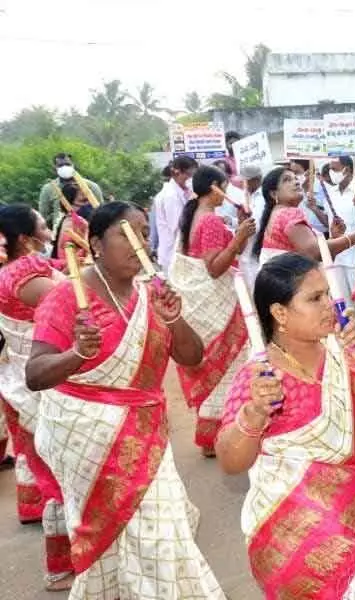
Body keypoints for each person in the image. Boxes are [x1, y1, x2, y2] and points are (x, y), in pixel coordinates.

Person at [25, 201, 224, 599]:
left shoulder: (154, 293)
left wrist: (173, 319)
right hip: (88, 441)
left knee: (163, 535)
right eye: (125, 233)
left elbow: (192, 356)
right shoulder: (67, 297)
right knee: (114, 539)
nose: (139, 244)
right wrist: (76, 354)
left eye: (143, 232)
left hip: (147, 438)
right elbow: (34, 374)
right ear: (96, 243)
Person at [215, 253, 355, 599]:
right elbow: (230, 461)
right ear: (280, 313)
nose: (330, 304)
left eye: (328, 293)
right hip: (298, 541)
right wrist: (252, 415)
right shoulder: (260, 379)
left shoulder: (343, 353)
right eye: (315, 298)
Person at [0, 205, 73, 591]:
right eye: (42, 223)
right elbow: (73, 301)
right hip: (45, 388)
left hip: (19, 383)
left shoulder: (25, 266)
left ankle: (67, 560)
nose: (48, 225)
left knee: (48, 469)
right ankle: (63, 566)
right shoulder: (23, 273)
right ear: (27, 238)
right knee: (65, 475)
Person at [171, 165, 256, 457]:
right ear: (215, 188)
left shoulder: (194, 214)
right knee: (229, 366)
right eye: (224, 187)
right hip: (214, 302)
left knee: (216, 367)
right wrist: (238, 237)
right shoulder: (209, 221)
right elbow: (214, 267)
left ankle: (213, 434)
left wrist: (239, 235)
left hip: (202, 302)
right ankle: (224, 434)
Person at [252, 167, 355, 266]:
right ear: (274, 194)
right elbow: (315, 253)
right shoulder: (289, 213)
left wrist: (333, 237)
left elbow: (315, 255)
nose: (297, 182)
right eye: (287, 180)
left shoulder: (276, 213)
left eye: (296, 178)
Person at [324, 155, 355, 304]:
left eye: (334, 169)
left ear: (346, 170)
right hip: (336, 257)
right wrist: (314, 208)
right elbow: (328, 221)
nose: (330, 173)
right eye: (329, 169)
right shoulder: (330, 193)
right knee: (341, 302)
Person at [152, 155, 197, 272]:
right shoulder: (170, 196)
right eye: (189, 175)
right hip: (173, 253)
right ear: (177, 173)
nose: (190, 178)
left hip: (179, 253)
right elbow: (178, 226)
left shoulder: (184, 191)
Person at [37, 153, 104, 229]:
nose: (64, 167)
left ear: (73, 165)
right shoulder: (48, 189)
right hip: (61, 231)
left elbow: (101, 211)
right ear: (55, 168)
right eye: (60, 165)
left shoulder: (91, 187)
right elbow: (44, 215)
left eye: (67, 164)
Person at [52, 182, 94, 262]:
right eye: (83, 201)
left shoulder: (82, 222)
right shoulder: (70, 226)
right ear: (68, 204)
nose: (88, 205)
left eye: (89, 200)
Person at [288, 159, 329, 235]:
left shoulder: (324, 188)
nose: (295, 178)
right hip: (303, 234)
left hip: (323, 236)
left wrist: (315, 208)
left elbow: (328, 221)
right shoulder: (295, 190)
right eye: (293, 174)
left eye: (297, 173)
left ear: (308, 172)